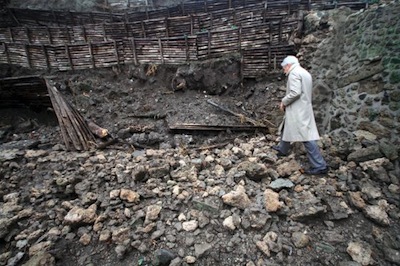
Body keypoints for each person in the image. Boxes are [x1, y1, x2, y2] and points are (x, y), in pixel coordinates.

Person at [273, 55, 329, 175]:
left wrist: (284, 101)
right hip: (303, 107)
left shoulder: (294, 73)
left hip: (298, 109)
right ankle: (282, 149)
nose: (284, 70)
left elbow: (295, 92)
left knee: (306, 137)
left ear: (288, 65)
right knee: (286, 125)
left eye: (284, 68)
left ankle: (320, 165)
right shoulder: (304, 72)